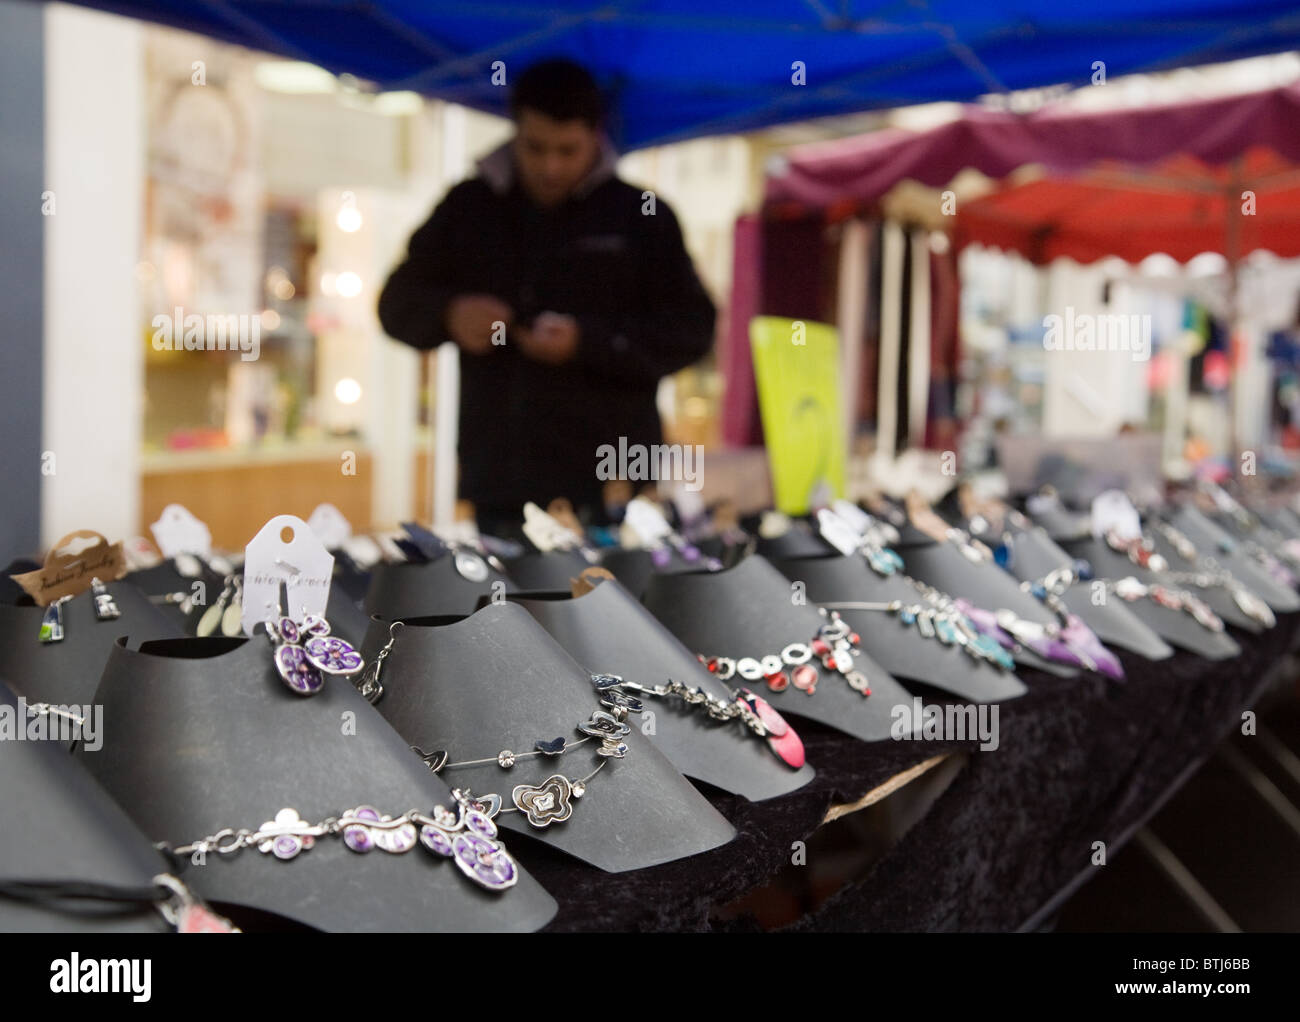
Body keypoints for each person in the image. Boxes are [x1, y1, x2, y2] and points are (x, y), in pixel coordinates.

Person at [378, 59, 717, 536]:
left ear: (596, 138)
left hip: (614, 485)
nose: (550, 166)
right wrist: (450, 314)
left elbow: (693, 329)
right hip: (502, 484)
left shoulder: (643, 217)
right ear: (514, 130)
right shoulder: (468, 206)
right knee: (505, 608)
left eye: (567, 150)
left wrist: (588, 342)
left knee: (610, 608)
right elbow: (396, 304)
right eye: (535, 148)